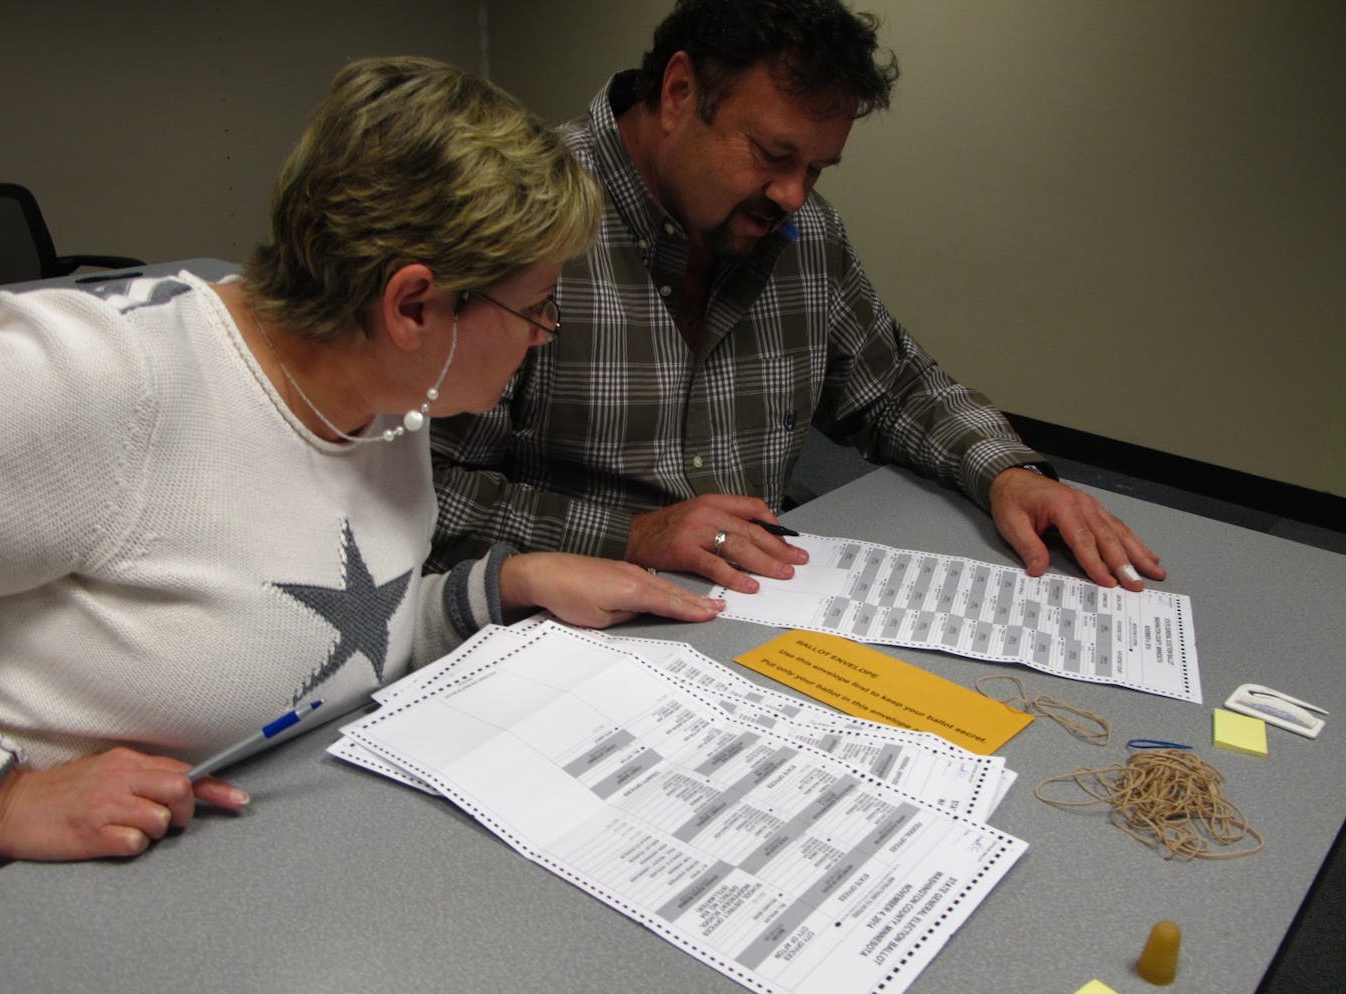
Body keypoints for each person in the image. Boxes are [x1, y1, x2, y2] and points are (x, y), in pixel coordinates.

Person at [0, 55, 724, 881]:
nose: (546, 331)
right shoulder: (113, 378)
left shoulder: (385, 387)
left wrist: (507, 584)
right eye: (536, 307)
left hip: (212, 864)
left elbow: (330, 634)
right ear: (414, 306)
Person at [428, 0, 1166, 598]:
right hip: (560, 629)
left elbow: (895, 390)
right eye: (774, 156)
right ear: (680, 93)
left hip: (756, 605)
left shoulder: (802, 233)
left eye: (817, 167)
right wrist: (629, 533)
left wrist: (1009, 472)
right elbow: (425, 501)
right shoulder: (521, 218)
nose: (793, 195)